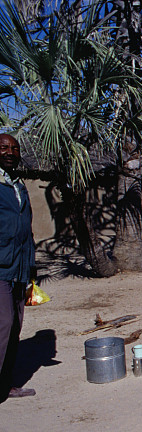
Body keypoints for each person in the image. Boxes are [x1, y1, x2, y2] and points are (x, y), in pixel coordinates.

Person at [0, 133, 36, 401]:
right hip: (1, 266)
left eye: (14, 148)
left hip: (20, 268)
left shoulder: (17, 185)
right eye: (3, 147)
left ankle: (7, 384)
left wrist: (31, 268)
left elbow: (26, 229)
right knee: (4, 323)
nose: (9, 152)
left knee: (15, 327)